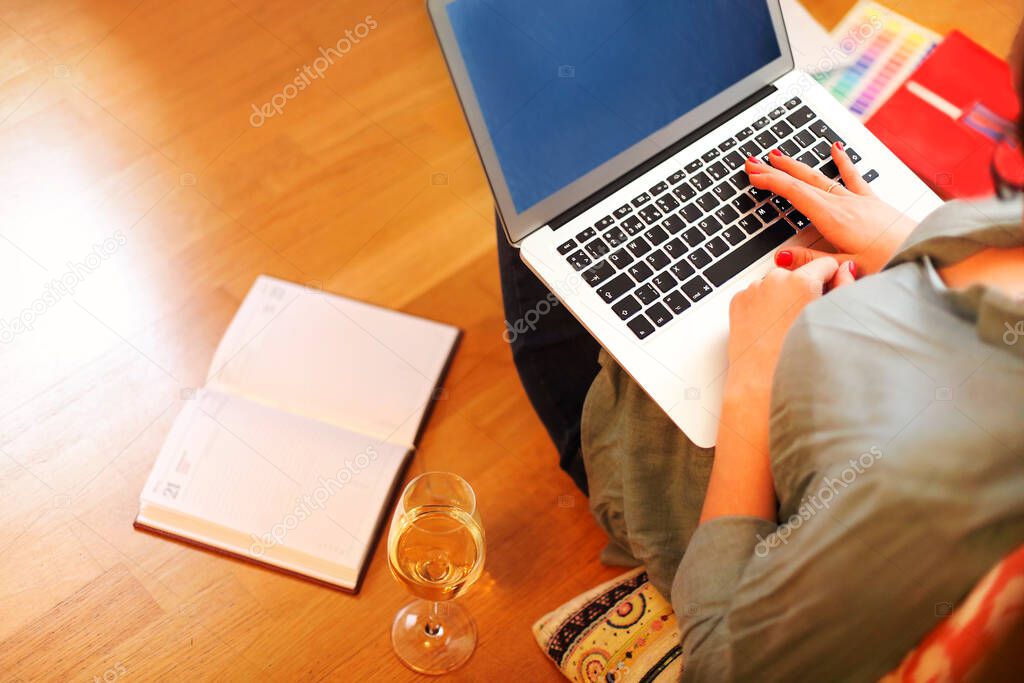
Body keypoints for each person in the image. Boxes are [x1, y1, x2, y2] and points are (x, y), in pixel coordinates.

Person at [498, 21, 1024, 683]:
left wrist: (751, 382)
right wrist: (908, 238)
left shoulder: (936, 487)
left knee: (543, 172)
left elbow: (723, 664)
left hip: (709, 478)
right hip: (814, 326)